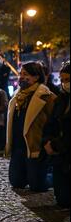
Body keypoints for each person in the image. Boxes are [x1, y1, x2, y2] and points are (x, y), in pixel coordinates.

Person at [6, 62, 56, 192]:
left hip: (35, 146)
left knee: (37, 186)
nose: (21, 77)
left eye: (26, 74)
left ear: (36, 77)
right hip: (18, 146)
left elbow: (55, 121)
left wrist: (47, 141)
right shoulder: (17, 97)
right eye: (21, 74)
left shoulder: (47, 97)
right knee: (16, 182)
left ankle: (55, 177)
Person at [43, 61, 70, 208]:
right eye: (62, 80)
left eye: (68, 80)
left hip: (64, 148)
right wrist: (47, 141)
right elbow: (51, 123)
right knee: (62, 199)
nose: (64, 83)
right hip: (59, 152)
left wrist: (56, 144)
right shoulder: (61, 99)